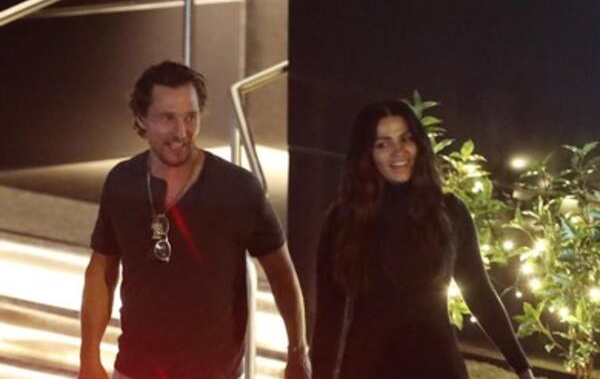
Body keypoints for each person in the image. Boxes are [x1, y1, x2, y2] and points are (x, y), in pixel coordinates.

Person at [79, 61, 311, 379]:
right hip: (136, 367)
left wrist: (298, 351)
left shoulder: (237, 188)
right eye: (167, 118)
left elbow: (281, 273)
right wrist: (89, 356)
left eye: (190, 117)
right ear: (141, 119)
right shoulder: (122, 182)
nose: (181, 132)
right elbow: (101, 271)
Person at [310, 100, 535, 379]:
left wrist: (522, 367)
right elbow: (329, 316)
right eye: (383, 144)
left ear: (419, 144)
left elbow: (479, 292)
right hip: (368, 369)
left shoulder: (449, 212)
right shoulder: (342, 221)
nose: (399, 151)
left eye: (406, 139)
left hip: (438, 367)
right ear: (367, 154)